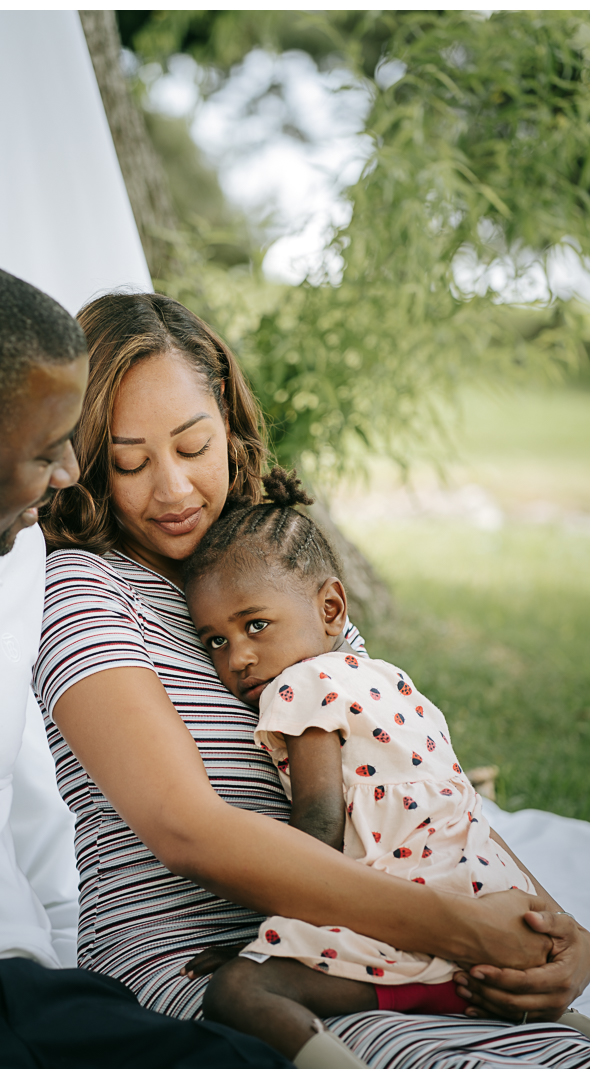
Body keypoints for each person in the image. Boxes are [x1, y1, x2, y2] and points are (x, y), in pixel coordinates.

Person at [34, 290, 589, 1069]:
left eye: (194, 447)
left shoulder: (277, 577)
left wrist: (554, 932)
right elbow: (186, 829)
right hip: (214, 969)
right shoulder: (85, 593)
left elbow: (418, 775)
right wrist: (456, 929)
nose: (173, 489)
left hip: (378, 941)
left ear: (228, 425)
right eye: (130, 462)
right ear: (89, 462)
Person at [0, 255, 295, 1070]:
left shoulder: (15, 556)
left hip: (31, 986)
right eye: (51, 451)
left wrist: (66, 960)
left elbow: (28, 798)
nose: (73, 474)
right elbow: (185, 828)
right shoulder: (69, 579)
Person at [179, 466, 590, 1059]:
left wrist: (268, 946)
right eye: (215, 640)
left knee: (237, 991)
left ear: (330, 608)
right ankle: (554, 1022)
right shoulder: (395, 683)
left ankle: (330, 1062)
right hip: (483, 911)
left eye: (256, 625)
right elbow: (459, 804)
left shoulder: (299, 687)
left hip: (406, 913)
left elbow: (317, 828)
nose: (239, 656)